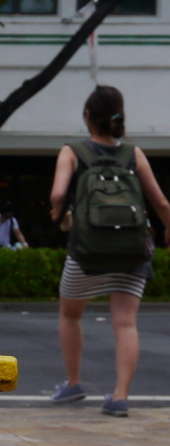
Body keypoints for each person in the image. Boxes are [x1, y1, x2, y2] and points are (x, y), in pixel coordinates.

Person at [49, 85, 170, 416]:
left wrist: (57, 214)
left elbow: (59, 194)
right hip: (132, 252)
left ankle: (73, 383)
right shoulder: (134, 154)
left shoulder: (72, 151)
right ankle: (120, 396)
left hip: (86, 253)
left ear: (88, 117)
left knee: (70, 314)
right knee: (126, 324)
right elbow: (160, 202)